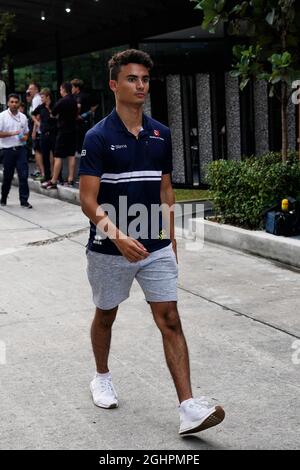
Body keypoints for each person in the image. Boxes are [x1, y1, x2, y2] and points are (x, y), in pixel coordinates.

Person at [79, 49, 225, 435]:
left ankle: (189, 407)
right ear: (114, 84)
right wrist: (118, 236)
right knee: (106, 314)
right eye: (132, 79)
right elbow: (87, 200)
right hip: (110, 247)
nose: (141, 85)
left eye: (144, 79)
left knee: (170, 319)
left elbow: (165, 191)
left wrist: (171, 240)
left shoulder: (162, 134)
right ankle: (101, 375)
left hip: (155, 245)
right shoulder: (97, 137)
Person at [0, 94, 32, 208]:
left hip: (21, 149)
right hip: (7, 150)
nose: (14, 104)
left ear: (19, 103)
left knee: (23, 175)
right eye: (12, 102)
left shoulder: (23, 117)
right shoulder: (2, 116)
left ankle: (24, 201)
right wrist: (12, 133)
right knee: (8, 176)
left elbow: (27, 132)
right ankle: (3, 197)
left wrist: (25, 137)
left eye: (16, 102)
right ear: (8, 103)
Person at [44, 82, 78, 189]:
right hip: (73, 130)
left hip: (63, 131)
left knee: (58, 156)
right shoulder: (74, 101)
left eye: (60, 89)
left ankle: (53, 181)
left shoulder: (62, 101)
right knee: (71, 155)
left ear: (63, 89)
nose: (60, 91)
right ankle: (71, 179)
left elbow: (52, 114)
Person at [32, 88, 57, 184]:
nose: (41, 99)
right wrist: (38, 123)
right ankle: (47, 176)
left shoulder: (55, 106)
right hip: (44, 134)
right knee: (45, 156)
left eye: (42, 97)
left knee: (56, 156)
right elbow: (33, 114)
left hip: (54, 134)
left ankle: (57, 176)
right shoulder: (40, 107)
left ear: (48, 97)